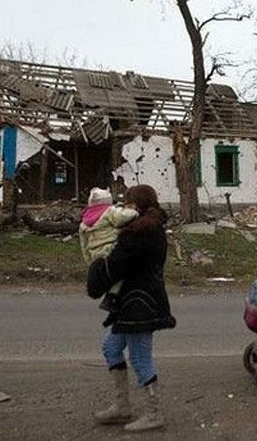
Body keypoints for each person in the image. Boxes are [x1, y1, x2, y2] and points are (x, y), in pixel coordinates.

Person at [86, 184, 176, 432]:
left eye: (128, 202)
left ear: (138, 205)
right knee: (111, 347)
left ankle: (154, 413)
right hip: (132, 302)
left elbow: (115, 266)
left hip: (139, 304)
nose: (124, 206)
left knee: (139, 356)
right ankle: (122, 406)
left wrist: (96, 273)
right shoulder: (149, 227)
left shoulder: (139, 233)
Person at [78, 187, 138, 312]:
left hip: (95, 253)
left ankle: (111, 296)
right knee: (124, 272)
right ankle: (111, 297)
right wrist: (134, 212)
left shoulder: (84, 221)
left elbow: (84, 245)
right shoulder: (109, 212)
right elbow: (121, 217)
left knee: (110, 274)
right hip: (110, 248)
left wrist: (90, 262)